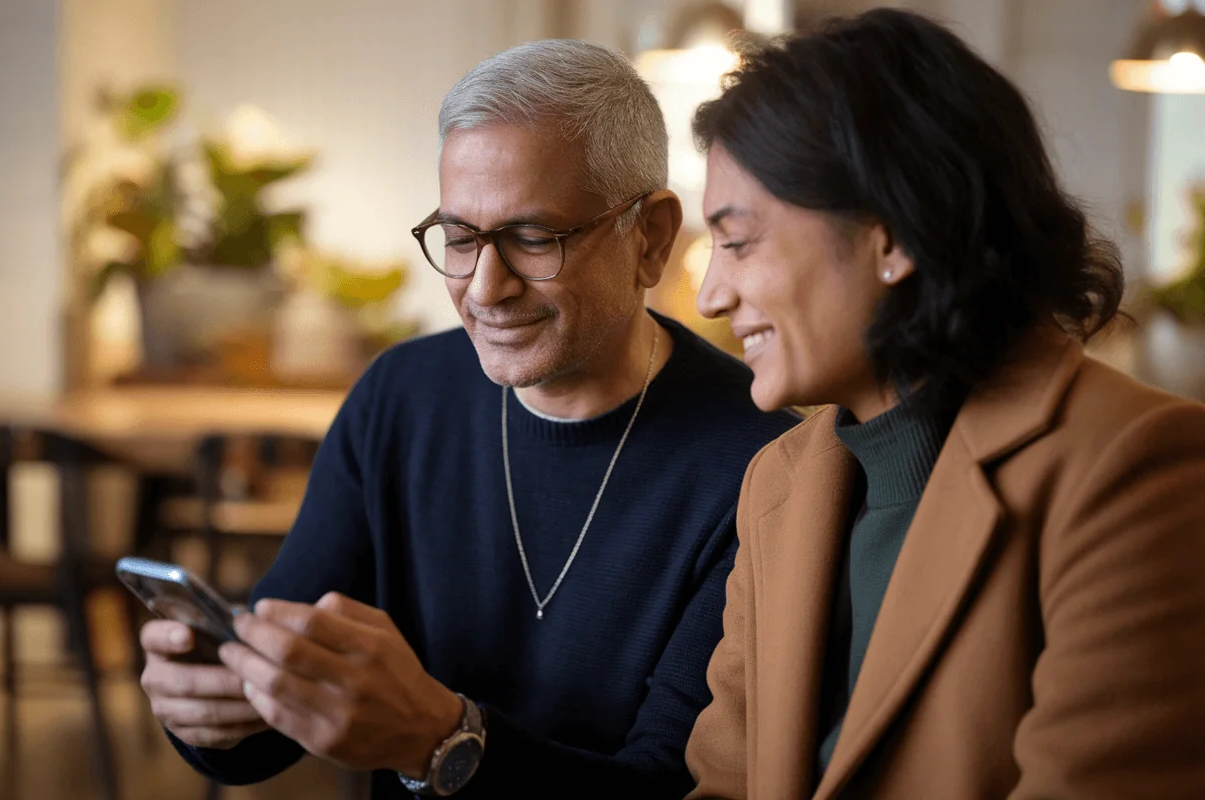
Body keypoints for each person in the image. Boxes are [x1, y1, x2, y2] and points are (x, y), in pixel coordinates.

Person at [137, 40, 797, 798]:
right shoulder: (400, 396)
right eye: (459, 237)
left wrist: (443, 743)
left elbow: (668, 787)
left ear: (648, 237)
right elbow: (267, 731)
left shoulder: (762, 464)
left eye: (531, 238)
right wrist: (212, 706)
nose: (485, 287)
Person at [684, 9, 1205, 800]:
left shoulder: (1137, 468)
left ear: (892, 236)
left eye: (739, 242)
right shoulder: (778, 485)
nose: (712, 295)